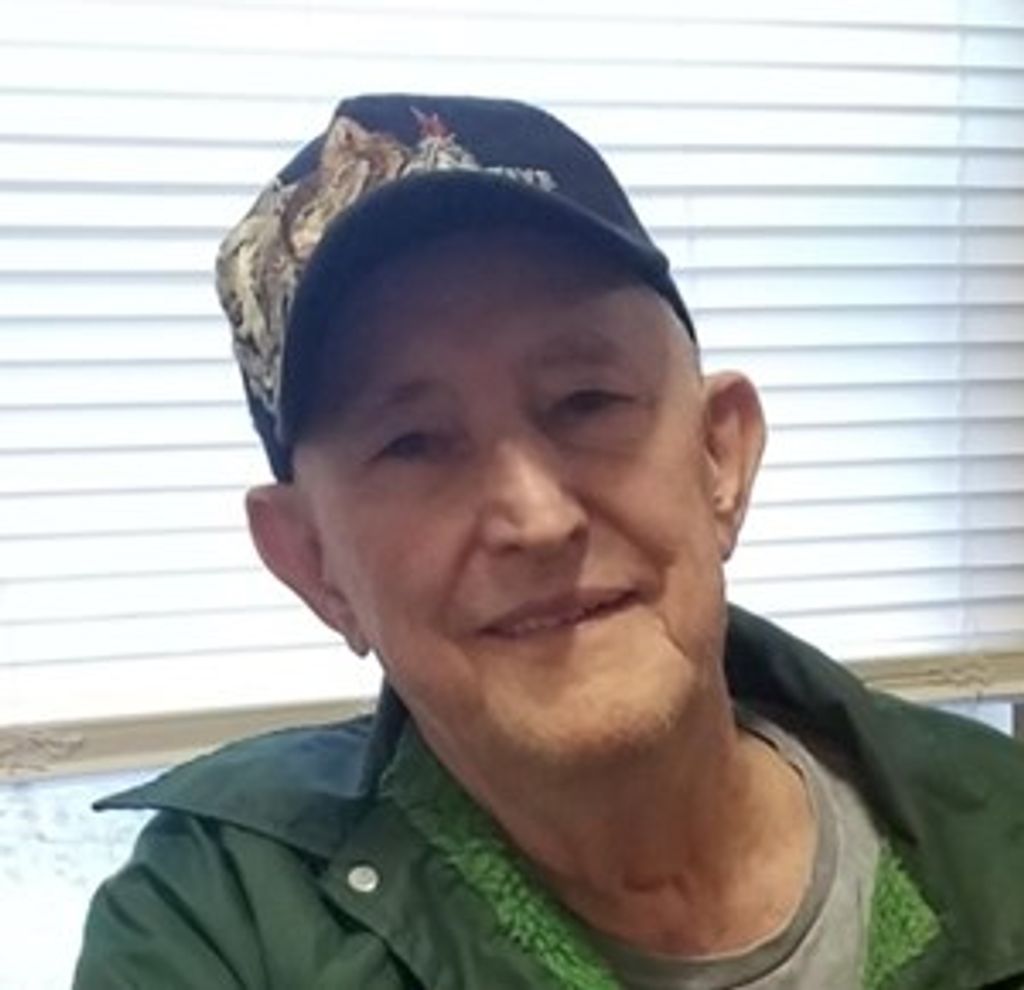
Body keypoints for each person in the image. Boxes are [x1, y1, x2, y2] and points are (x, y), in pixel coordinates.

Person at [74, 94, 1024, 990]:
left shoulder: (994, 829)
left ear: (719, 455)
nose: (536, 518)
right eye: (414, 443)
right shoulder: (221, 926)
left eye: (586, 401)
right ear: (313, 563)